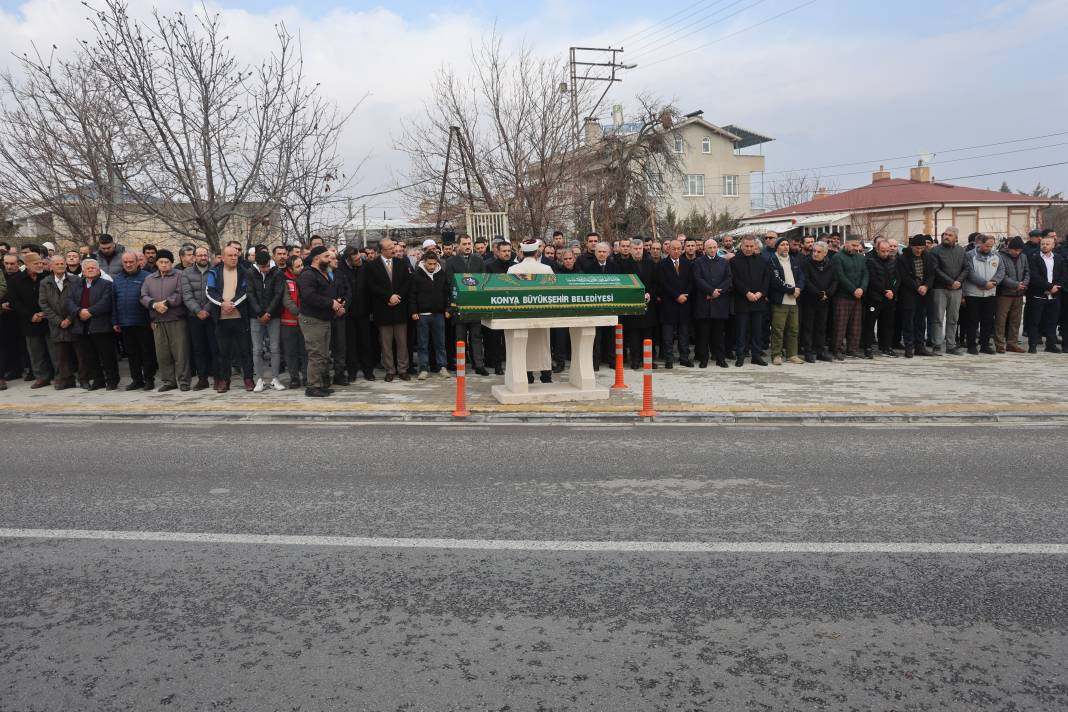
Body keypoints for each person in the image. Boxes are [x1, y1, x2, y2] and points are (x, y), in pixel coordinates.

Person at [205, 244, 254, 392]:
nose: (234, 258)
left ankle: (248, 379)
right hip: (221, 319)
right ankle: (225, 380)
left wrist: (231, 304)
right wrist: (222, 303)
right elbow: (209, 291)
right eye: (230, 255)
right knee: (223, 352)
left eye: (236, 255)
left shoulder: (244, 271)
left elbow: (246, 291)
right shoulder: (214, 271)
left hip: (240, 317)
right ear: (223, 257)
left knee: (245, 351)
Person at [138, 250, 190, 391]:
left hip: (176, 319)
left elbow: (180, 293)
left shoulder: (180, 275)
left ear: (171, 263)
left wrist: (166, 303)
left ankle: (184, 381)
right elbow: (143, 296)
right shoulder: (149, 278)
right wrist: (154, 304)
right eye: (161, 262)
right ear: (156, 263)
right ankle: (168, 381)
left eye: (167, 262)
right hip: (158, 320)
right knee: (162, 354)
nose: (164, 264)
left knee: (180, 353)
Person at [507, 238, 554, 384]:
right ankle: (546, 376)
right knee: (543, 345)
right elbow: (553, 290)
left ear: (522, 252)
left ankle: (527, 376)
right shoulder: (546, 269)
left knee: (524, 346)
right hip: (542, 313)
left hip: (520, 314)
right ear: (536, 252)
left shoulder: (513, 270)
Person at [68, 259, 119, 390]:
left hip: (101, 325)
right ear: (83, 271)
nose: (90, 270)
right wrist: (79, 311)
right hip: (82, 325)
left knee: (107, 355)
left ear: (98, 270)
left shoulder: (107, 284)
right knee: (89, 356)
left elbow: (106, 302)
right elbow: (69, 301)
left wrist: (90, 312)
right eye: (87, 268)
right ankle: (98, 380)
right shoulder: (76, 285)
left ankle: (112, 380)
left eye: (93, 268)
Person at [365, 237, 412, 382]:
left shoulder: (401, 263)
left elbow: (406, 283)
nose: (394, 250)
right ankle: (390, 370)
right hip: (383, 309)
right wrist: (388, 297)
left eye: (393, 247)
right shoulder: (372, 266)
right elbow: (372, 286)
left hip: (399, 307)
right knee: (386, 344)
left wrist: (397, 296)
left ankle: (403, 369)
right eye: (390, 248)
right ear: (382, 250)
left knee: (402, 342)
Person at [444, 234, 489, 376]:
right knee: (460, 338)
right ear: (458, 246)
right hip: (459, 305)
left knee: (476, 336)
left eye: (469, 243)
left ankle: (479, 365)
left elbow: (483, 280)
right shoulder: (451, 261)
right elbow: (449, 283)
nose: (468, 246)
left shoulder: (478, 259)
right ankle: (461, 365)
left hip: (475, 305)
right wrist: (450, 306)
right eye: (464, 244)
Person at [112, 251, 156, 390]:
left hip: (143, 322)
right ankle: (136, 380)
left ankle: (149, 379)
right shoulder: (117, 279)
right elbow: (114, 301)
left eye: (131, 261)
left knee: (147, 352)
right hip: (125, 323)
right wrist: (115, 321)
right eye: (125, 262)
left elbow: (152, 299)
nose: (128, 264)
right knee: (131, 353)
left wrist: (152, 319)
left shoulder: (147, 277)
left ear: (138, 262)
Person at [9, 249, 53, 387]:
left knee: (55, 350)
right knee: (36, 352)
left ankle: (60, 375)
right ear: (27, 265)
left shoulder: (47, 276)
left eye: (41, 263)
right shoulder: (16, 280)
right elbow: (15, 302)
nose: (40, 265)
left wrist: (44, 313)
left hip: (49, 318)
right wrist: (31, 315)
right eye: (36, 263)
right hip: (29, 321)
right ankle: (41, 377)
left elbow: (54, 297)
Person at [246, 249, 286, 392]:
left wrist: (268, 312)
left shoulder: (277, 272)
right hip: (255, 316)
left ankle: (275, 379)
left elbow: (278, 294)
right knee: (257, 349)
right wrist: (260, 313)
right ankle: (260, 379)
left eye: (268, 265)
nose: (266, 269)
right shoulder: (250, 272)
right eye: (263, 267)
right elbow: (250, 293)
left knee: (275, 348)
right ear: (257, 264)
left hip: (273, 315)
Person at [409, 250, 452, 380]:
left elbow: (448, 293)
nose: (432, 266)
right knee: (423, 344)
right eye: (429, 264)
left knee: (440, 343)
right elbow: (412, 295)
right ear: (424, 262)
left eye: (434, 264)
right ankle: (423, 368)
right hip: (422, 315)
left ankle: (442, 366)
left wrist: (448, 308)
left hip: (439, 315)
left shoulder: (442, 274)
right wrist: (413, 311)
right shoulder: (416, 275)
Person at [37, 254, 77, 389]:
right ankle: (65, 379)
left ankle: (84, 378)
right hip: (56, 324)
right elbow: (43, 304)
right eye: (57, 264)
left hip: (74, 321)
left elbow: (78, 300)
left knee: (80, 352)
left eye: (62, 264)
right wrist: (58, 321)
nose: (60, 266)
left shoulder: (75, 280)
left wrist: (70, 318)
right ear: (51, 267)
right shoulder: (45, 282)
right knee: (61, 354)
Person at [730, 235, 770, 367]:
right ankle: (740, 356)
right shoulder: (734, 261)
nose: (748, 248)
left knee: (757, 331)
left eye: (751, 246)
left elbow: (766, 279)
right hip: (742, 300)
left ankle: (756, 356)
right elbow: (735, 280)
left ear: (755, 246)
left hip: (759, 300)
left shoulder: (762, 260)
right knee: (741, 330)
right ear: (741, 246)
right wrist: (747, 292)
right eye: (746, 246)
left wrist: (760, 293)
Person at [181, 246, 218, 390]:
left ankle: (218, 378)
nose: (203, 257)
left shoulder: (215, 271)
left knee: (215, 347)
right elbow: (187, 295)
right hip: (194, 316)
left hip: (212, 314)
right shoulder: (186, 273)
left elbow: (216, 292)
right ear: (194, 257)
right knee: (198, 348)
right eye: (200, 255)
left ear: (208, 256)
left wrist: (206, 310)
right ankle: (202, 379)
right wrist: (197, 310)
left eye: (205, 255)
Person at [961, 234, 1005, 355]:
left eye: (991, 246)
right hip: (973, 293)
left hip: (990, 293)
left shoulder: (996, 255)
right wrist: (984, 283)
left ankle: (984, 345)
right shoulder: (969, 255)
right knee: (972, 320)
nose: (989, 248)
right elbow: (970, 272)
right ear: (980, 244)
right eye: (986, 246)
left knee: (987, 320)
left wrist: (994, 282)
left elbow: (1001, 270)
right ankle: (971, 345)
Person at [929, 227, 969, 355]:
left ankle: (951, 345)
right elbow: (935, 269)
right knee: (938, 318)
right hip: (940, 288)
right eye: (945, 234)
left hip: (956, 290)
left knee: (953, 318)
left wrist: (958, 282)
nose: (946, 237)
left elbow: (966, 268)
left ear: (956, 238)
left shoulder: (961, 251)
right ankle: (937, 345)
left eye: (950, 235)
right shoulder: (935, 251)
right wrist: (951, 282)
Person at [692, 238, 731, 368]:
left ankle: (720, 359)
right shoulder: (698, 262)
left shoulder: (724, 262)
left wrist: (717, 292)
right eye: (710, 247)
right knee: (703, 334)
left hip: (719, 303)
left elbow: (728, 279)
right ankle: (704, 359)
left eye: (714, 247)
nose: (712, 250)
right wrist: (710, 291)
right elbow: (698, 279)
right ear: (705, 249)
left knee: (719, 334)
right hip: (704, 303)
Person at [620, 239, 658, 370]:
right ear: (630, 250)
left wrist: (650, 294)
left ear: (643, 249)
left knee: (648, 334)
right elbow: (623, 285)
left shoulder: (650, 263)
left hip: (648, 304)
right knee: (634, 335)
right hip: (632, 305)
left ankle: (648, 360)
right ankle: (635, 360)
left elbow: (655, 283)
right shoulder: (624, 265)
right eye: (635, 249)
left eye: (640, 248)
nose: (638, 251)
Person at [897, 235, 937, 358]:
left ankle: (920, 346)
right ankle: (909, 347)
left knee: (921, 321)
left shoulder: (927, 256)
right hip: (909, 293)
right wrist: (917, 287)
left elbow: (931, 275)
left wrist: (926, 286)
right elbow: (904, 277)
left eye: (921, 248)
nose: (919, 250)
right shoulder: (903, 258)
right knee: (908, 321)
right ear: (912, 246)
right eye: (917, 248)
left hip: (924, 293)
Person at [656, 239, 693, 369]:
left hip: (684, 303)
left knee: (684, 334)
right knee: (668, 335)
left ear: (681, 250)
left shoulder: (687, 263)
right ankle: (669, 359)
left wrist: (685, 295)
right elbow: (663, 284)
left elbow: (691, 282)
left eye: (678, 249)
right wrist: (676, 296)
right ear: (668, 249)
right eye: (673, 249)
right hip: (669, 304)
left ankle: (684, 358)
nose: (676, 251)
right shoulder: (662, 264)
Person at [1025, 235, 1065, 353]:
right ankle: (1032, 345)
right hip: (1038, 294)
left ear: (1053, 245)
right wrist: (1049, 287)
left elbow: (1063, 275)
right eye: (1042, 244)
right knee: (1035, 321)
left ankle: (1050, 345)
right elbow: (1034, 276)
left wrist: (1055, 287)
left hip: (1054, 294)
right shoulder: (1034, 258)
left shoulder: (1058, 258)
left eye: (1048, 244)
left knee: (1052, 321)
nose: (1045, 246)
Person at [768, 236, 805, 365]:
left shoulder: (794, 260)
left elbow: (801, 276)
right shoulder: (772, 261)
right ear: (777, 247)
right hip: (780, 301)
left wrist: (798, 288)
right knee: (778, 330)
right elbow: (775, 280)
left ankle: (792, 354)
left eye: (787, 244)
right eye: (782, 244)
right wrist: (791, 290)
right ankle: (776, 355)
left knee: (793, 329)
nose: (786, 247)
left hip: (794, 301)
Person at [831, 235, 869, 359]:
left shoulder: (861, 258)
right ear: (846, 243)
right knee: (840, 325)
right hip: (842, 296)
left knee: (855, 325)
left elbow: (865, 274)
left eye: (857, 245)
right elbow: (840, 276)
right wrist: (853, 290)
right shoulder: (838, 257)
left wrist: (862, 288)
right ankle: (837, 349)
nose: (856, 248)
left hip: (857, 296)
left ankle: (852, 349)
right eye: (853, 245)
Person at [862, 238, 899, 358]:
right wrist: (884, 291)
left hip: (889, 298)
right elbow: (872, 280)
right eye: (883, 251)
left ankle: (886, 347)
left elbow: (897, 278)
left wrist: (892, 291)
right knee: (870, 324)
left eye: (887, 251)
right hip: (875, 298)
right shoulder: (871, 261)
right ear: (877, 250)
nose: (885, 253)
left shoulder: (893, 262)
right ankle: (867, 347)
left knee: (887, 324)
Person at [482, 239, 515, 375]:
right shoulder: (490, 266)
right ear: (497, 252)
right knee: (495, 339)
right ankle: (497, 366)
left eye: (509, 251)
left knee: (512, 337)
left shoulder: (515, 266)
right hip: (496, 306)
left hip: (512, 306)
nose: (507, 253)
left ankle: (513, 364)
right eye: (504, 251)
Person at [800, 242, 837, 362]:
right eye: (814, 251)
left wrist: (828, 293)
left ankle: (820, 351)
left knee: (821, 327)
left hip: (825, 300)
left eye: (818, 252)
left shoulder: (831, 264)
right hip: (810, 300)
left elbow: (835, 280)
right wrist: (819, 293)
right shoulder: (806, 263)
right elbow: (806, 281)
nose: (815, 254)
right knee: (808, 327)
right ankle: (808, 352)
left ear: (825, 253)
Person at [994, 236, 1030, 353]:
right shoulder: (1000, 256)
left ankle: (1012, 343)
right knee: (1001, 320)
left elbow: (1027, 272)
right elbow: (1001, 275)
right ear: (1009, 248)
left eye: (1019, 250)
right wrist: (1015, 284)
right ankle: (999, 344)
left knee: (1016, 320)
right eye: (1015, 250)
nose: (1017, 252)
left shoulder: (1023, 257)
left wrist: (1024, 284)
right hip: (1004, 294)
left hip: (1019, 294)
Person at [590, 241, 619, 369]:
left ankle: (612, 360)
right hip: (596, 306)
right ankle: (595, 362)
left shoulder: (614, 267)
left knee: (611, 335)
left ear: (608, 253)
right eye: (599, 252)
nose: (601, 254)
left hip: (611, 305)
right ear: (595, 253)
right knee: (597, 336)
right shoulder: (589, 268)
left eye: (604, 252)